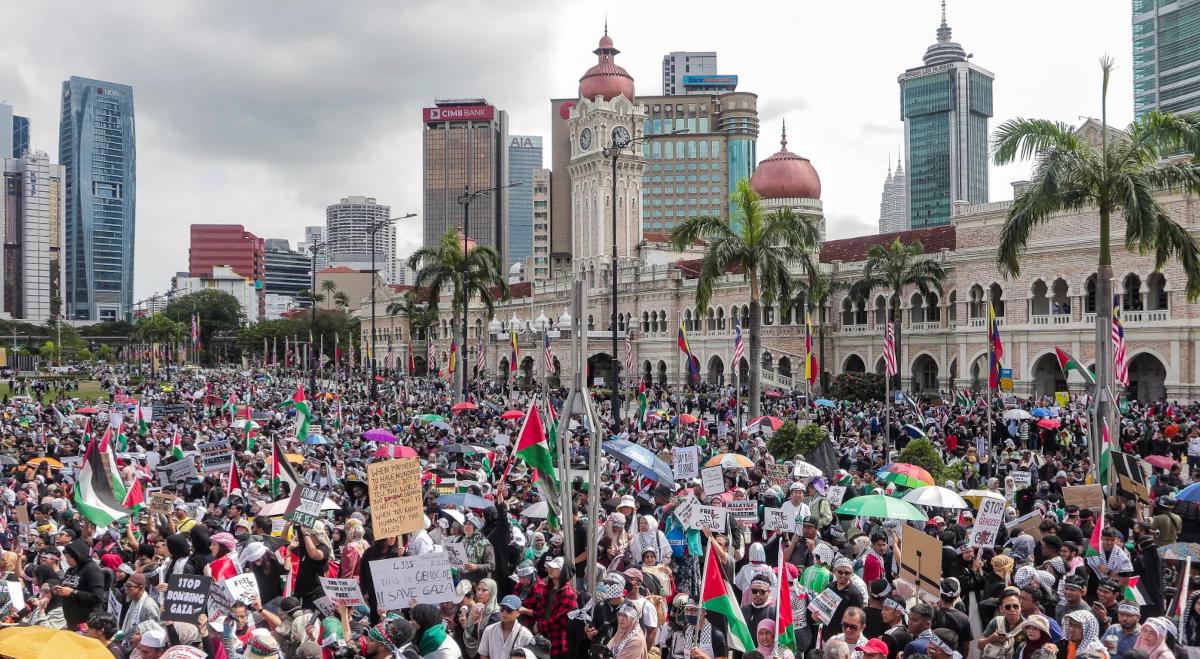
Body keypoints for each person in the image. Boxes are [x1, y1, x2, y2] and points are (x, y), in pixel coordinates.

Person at [522, 557, 577, 659]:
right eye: (550, 566)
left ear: (564, 571)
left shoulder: (569, 593)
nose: (550, 569)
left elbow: (560, 620)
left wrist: (539, 626)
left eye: (555, 567)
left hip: (557, 639)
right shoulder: (547, 588)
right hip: (542, 635)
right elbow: (540, 611)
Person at [57, 538, 107, 629]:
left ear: (78, 556)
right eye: (66, 557)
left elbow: (97, 597)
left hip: (86, 623)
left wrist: (73, 592)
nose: (67, 560)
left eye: (70, 557)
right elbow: (69, 587)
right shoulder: (71, 569)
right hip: (72, 621)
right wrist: (60, 589)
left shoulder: (92, 570)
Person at [978, 588, 1024, 659]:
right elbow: (979, 645)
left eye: (1015, 606)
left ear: (1020, 607)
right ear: (1001, 609)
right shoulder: (997, 622)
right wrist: (991, 639)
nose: (1012, 609)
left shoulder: (1027, 626)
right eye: (1008, 607)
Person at [118, 572, 160, 646]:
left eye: (129, 586)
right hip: (128, 645)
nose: (126, 590)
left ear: (140, 588)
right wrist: (118, 637)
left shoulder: (148, 606)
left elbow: (152, 634)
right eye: (125, 586)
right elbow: (128, 628)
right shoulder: (134, 601)